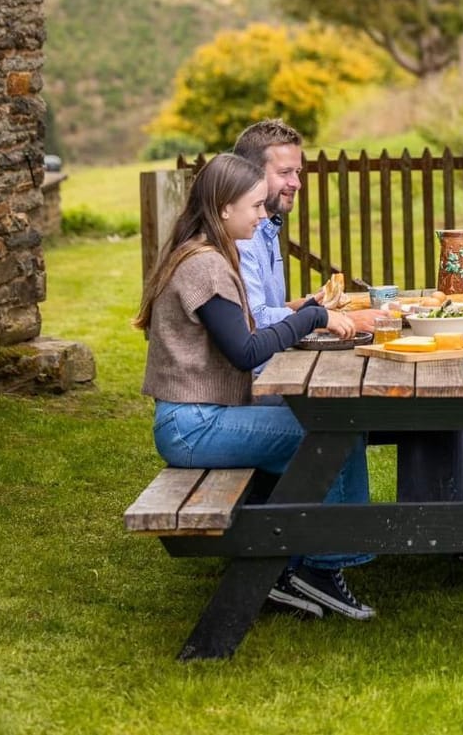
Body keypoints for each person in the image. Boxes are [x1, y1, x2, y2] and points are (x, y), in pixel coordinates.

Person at [135, 151, 375, 621]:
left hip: (198, 418)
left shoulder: (203, 253)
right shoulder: (205, 266)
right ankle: (321, 568)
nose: (263, 216)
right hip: (194, 426)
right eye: (256, 207)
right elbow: (245, 351)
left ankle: (288, 560)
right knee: (333, 435)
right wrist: (312, 316)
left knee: (320, 426)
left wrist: (306, 313)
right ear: (225, 208)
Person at [232, 118, 379, 336]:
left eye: (297, 172)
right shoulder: (243, 238)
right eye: (285, 173)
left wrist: (309, 305)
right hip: (262, 369)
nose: (297, 183)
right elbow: (256, 319)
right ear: (251, 174)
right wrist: (336, 319)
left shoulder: (267, 229)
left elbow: (272, 310)